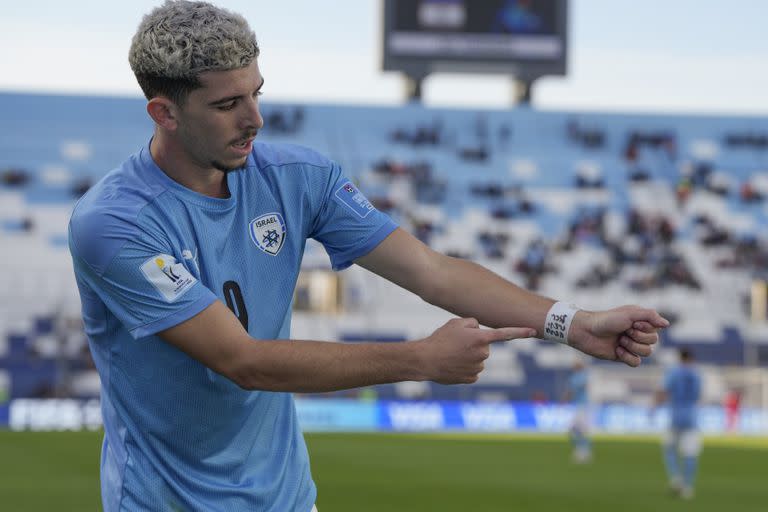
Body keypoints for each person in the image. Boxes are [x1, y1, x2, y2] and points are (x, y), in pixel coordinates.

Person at [67, 1, 669, 510]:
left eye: (256, 93)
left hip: (286, 497)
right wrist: (421, 359)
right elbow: (243, 361)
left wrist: (571, 322)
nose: (255, 118)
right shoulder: (114, 224)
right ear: (164, 112)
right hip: (164, 501)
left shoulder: (297, 175)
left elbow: (433, 273)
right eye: (227, 105)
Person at [657, 348, 702, 500]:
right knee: (690, 453)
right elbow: (698, 396)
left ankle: (676, 478)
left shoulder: (674, 372)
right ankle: (688, 487)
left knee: (669, 448)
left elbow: (663, 391)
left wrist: (654, 407)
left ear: (680, 358)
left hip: (675, 416)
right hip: (691, 418)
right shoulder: (696, 374)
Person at [564, 360, 592, 463]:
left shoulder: (581, 376)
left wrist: (565, 399)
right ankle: (582, 450)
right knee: (574, 430)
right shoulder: (575, 377)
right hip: (578, 406)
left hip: (582, 407)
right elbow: (570, 391)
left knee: (580, 430)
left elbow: (571, 390)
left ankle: (584, 452)